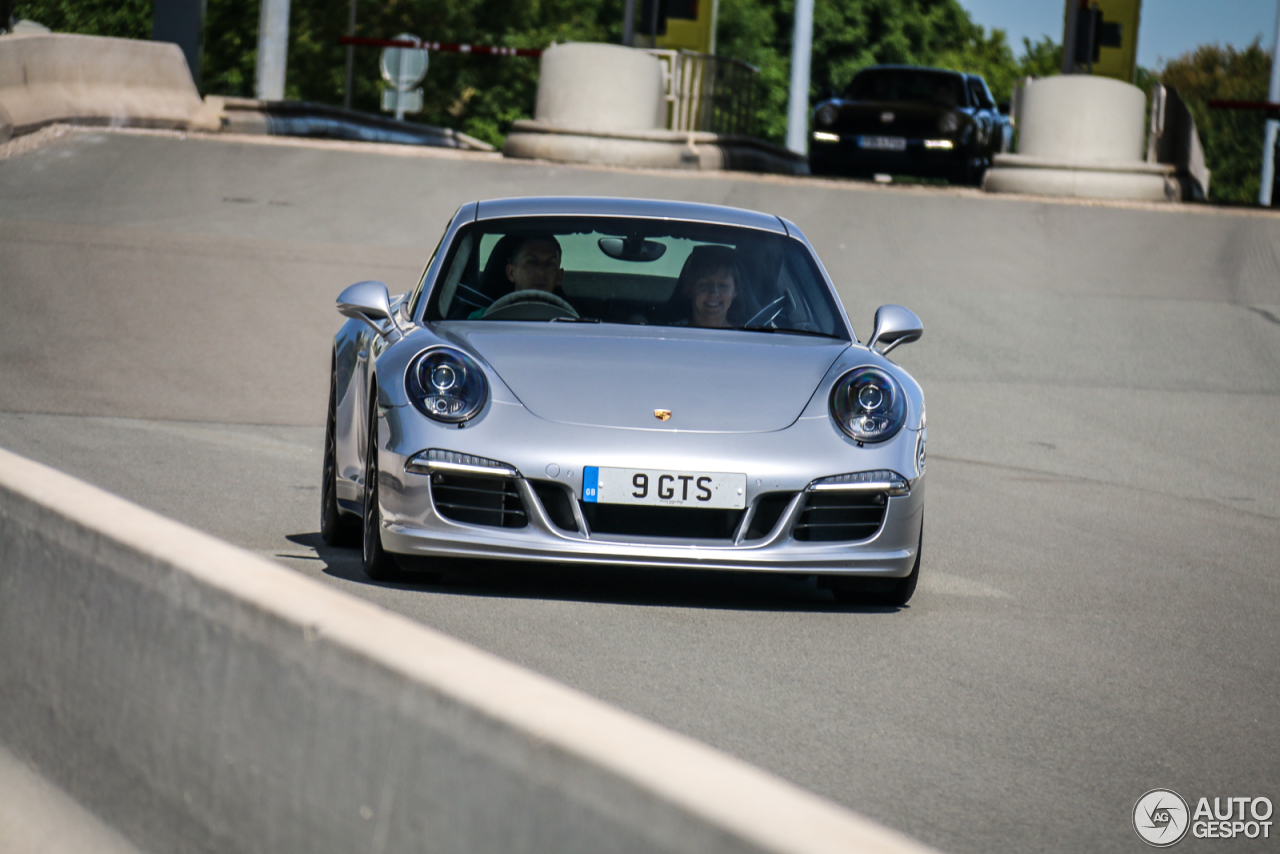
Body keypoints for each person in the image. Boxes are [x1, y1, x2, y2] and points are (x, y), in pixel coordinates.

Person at [673, 245, 740, 328]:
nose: (714, 293)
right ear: (689, 289)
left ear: (735, 291)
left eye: (723, 285)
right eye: (704, 284)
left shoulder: (747, 336)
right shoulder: (667, 333)